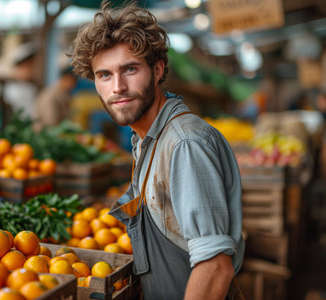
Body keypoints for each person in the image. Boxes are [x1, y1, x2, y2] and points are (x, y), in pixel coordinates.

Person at [69, 1, 245, 299]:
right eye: (105, 75)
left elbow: (215, 267)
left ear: (158, 69)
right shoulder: (147, 137)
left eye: (130, 69)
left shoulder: (184, 144)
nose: (118, 87)